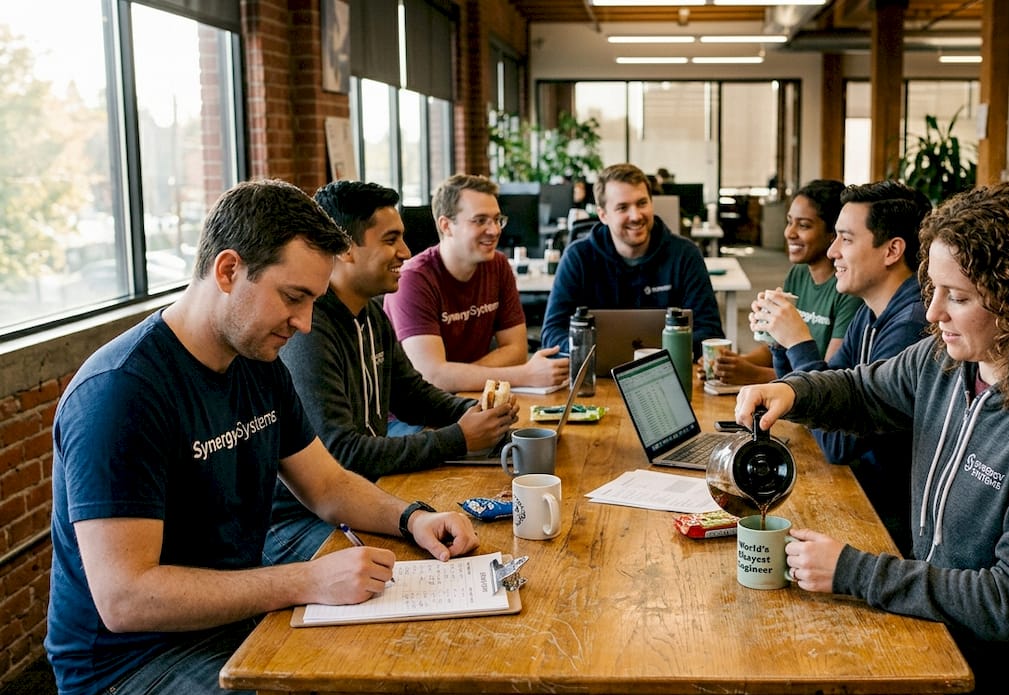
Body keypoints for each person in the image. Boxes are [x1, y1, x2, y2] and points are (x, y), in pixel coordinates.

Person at [45, 179, 480, 695]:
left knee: (398, 674)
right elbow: (126, 598)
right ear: (228, 271)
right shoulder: (121, 392)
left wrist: (413, 517)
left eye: (313, 302)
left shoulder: (259, 363)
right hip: (132, 667)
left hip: (232, 620)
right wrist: (306, 579)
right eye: (293, 298)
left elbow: (328, 484)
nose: (302, 324)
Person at [736, 183, 1009, 695]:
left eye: (957, 297)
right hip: (948, 638)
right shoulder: (949, 359)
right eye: (933, 289)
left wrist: (852, 570)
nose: (934, 312)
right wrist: (792, 391)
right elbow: (864, 390)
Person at [264, 180, 516, 566]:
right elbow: (343, 453)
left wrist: (474, 414)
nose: (405, 252)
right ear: (345, 247)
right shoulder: (309, 331)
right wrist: (459, 438)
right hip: (299, 521)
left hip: (366, 494)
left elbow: (412, 394)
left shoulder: (369, 313)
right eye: (390, 240)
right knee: (421, 563)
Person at [752, 180, 931, 553]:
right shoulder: (871, 312)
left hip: (887, 526)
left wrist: (799, 341)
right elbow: (815, 403)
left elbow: (837, 444)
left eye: (846, 240)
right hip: (860, 494)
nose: (832, 251)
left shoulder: (911, 327)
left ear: (892, 250)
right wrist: (780, 341)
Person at [384, 174, 568, 393]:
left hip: (474, 397)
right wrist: (524, 375)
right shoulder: (414, 279)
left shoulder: (498, 265)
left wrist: (456, 376)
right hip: (416, 416)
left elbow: (517, 350)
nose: (495, 230)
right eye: (480, 220)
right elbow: (431, 377)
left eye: (497, 219)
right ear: (446, 225)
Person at [540, 162, 724, 352]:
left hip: (672, 373)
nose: (635, 216)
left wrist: (656, 356)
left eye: (642, 203)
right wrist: (591, 352)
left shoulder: (685, 255)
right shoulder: (578, 257)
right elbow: (552, 333)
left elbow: (710, 332)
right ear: (603, 215)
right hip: (597, 373)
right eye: (622, 208)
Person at [706, 179, 860, 385]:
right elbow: (777, 348)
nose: (790, 232)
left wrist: (752, 374)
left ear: (833, 234)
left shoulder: (848, 290)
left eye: (803, 225)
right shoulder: (798, 273)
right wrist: (730, 365)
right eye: (789, 222)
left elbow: (828, 378)